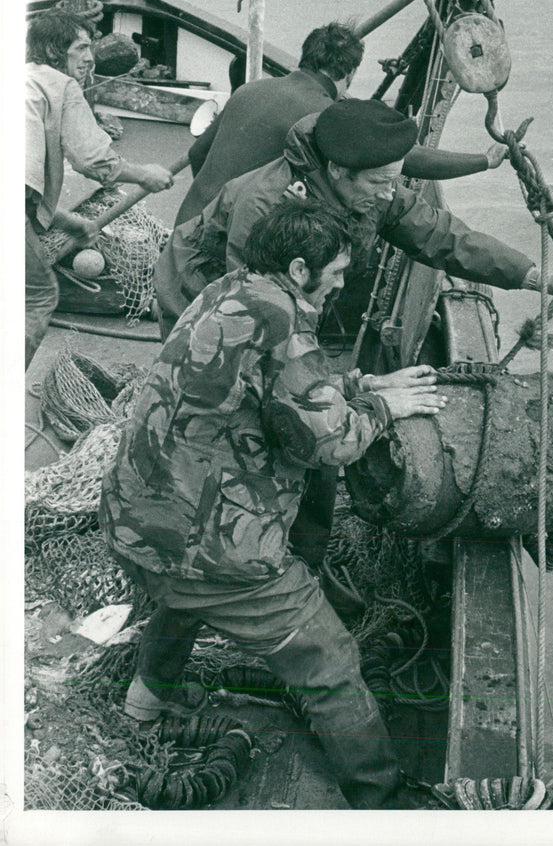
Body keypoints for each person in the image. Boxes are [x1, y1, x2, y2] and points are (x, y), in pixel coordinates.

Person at [99, 199, 447, 809]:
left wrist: (363, 387)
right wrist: (387, 408)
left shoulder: (231, 292)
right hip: (211, 551)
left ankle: (148, 701)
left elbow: (271, 388)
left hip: (135, 522)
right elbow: (329, 442)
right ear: (298, 266)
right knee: (330, 662)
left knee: (182, 596)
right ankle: (387, 801)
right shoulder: (284, 321)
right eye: (335, 272)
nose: (340, 283)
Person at [154, 97, 553, 339]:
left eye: (396, 180)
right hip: (197, 283)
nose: (391, 193)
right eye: (381, 182)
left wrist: (533, 277)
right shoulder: (266, 207)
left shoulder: (372, 190)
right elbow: (252, 308)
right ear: (339, 171)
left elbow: (442, 236)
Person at [174, 21, 507, 227]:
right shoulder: (321, 114)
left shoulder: (248, 91)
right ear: (349, 73)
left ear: (306, 57)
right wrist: (483, 161)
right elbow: (409, 158)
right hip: (225, 245)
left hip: (187, 228)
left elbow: (197, 154)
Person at [25, 8, 175, 369]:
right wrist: (145, 175)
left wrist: (71, 223)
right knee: (37, 297)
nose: (91, 57)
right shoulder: (59, 85)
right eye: (81, 48)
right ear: (51, 51)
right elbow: (94, 161)